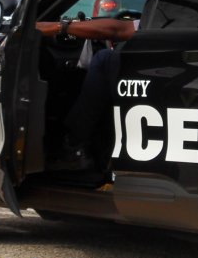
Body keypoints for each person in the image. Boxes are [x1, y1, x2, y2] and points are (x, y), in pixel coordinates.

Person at [34, 15, 137, 172]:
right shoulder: (170, 17)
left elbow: (119, 30)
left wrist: (60, 26)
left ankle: (73, 147)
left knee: (105, 59)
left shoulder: (169, 14)